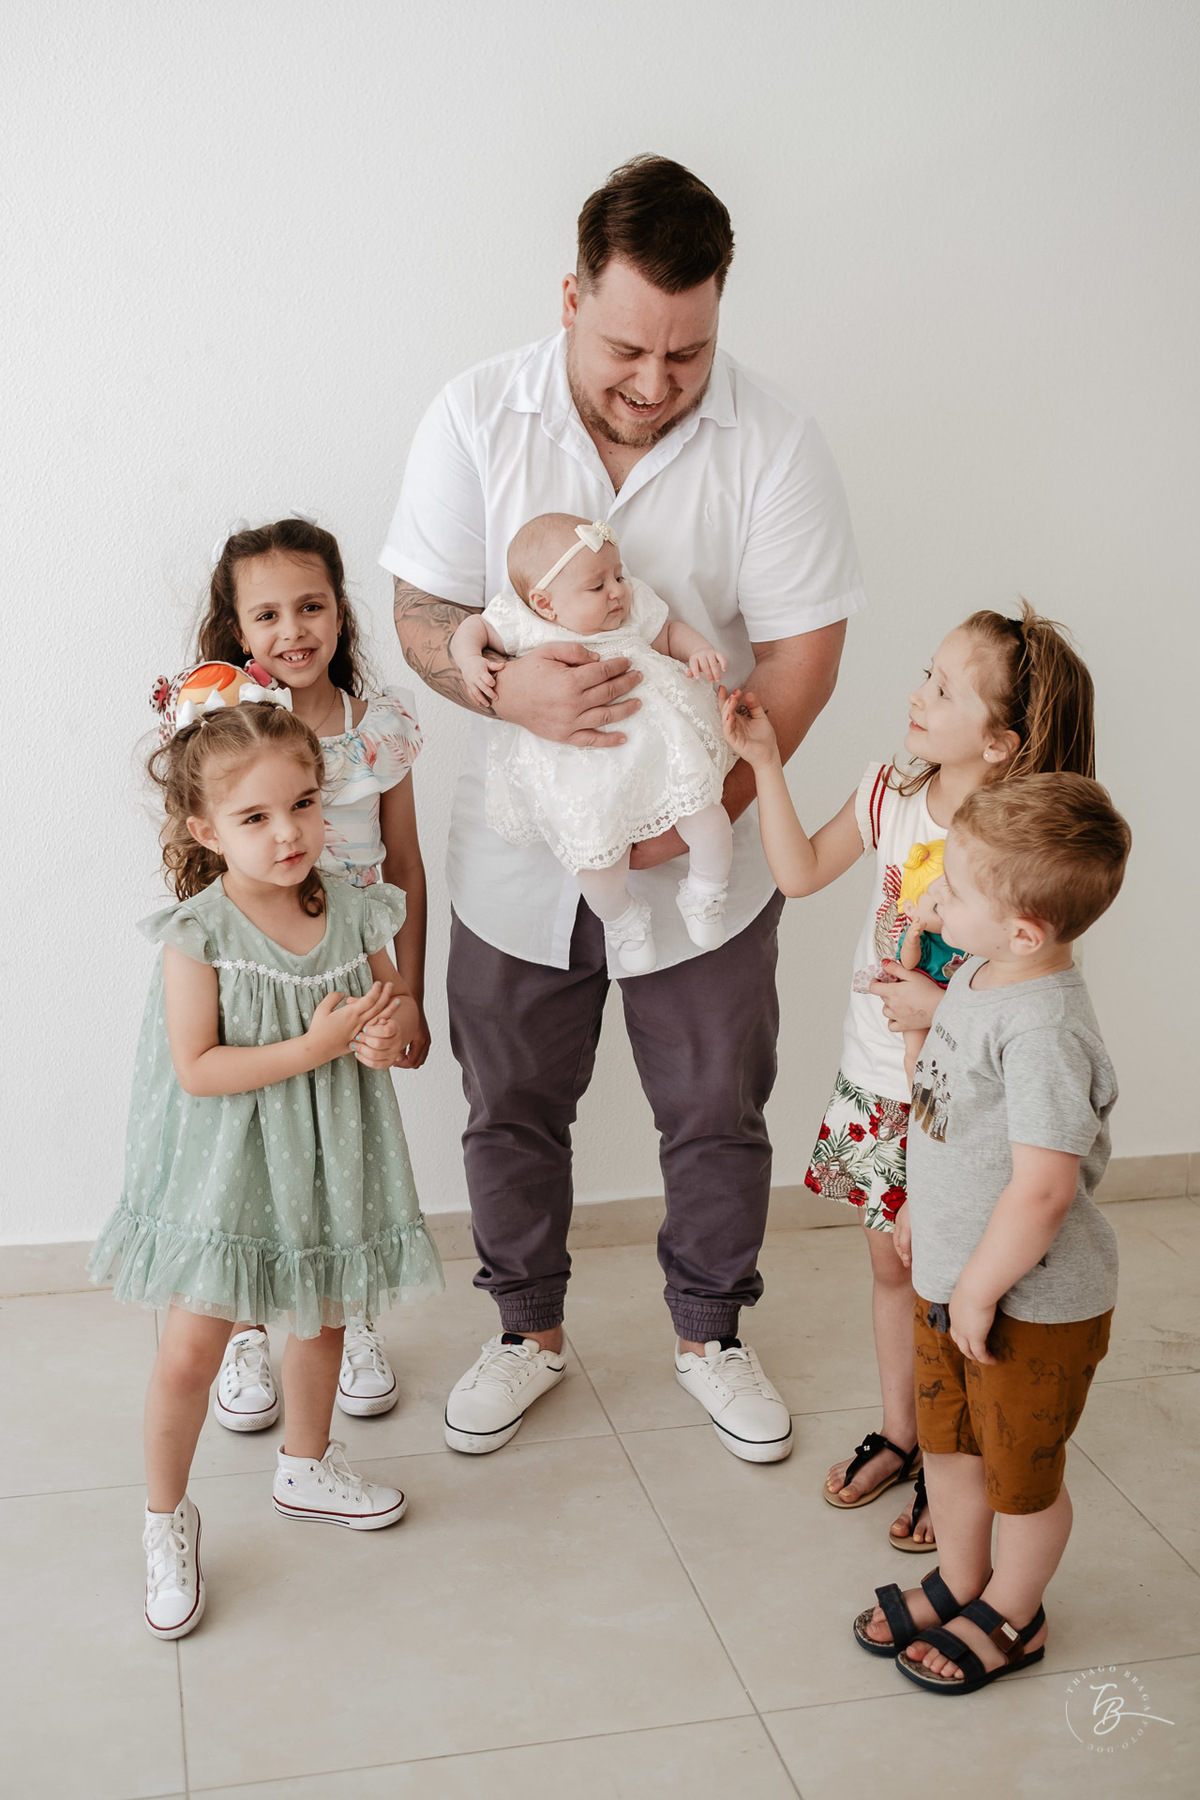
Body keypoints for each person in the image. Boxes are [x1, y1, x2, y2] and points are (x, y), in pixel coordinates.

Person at [383, 155, 866, 1463]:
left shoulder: (773, 441)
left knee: (716, 1108)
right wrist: (497, 684)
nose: (654, 383)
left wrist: (679, 809)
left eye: (688, 352)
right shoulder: (475, 414)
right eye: (625, 348)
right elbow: (421, 613)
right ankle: (524, 1332)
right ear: (569, 297)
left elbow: (802, 662)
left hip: (703, 857)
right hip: (514, 856)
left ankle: (713, 1334)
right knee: (511, 1104)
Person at [720, 602, 1097, 1546]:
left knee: (955, 1279)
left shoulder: (1020, 848)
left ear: (1004, 741)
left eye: (943, 688)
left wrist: (946, 1011)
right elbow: (801, 872)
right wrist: (765, 763)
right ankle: (906, 1433)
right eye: (926, 675)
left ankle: (954, 1461)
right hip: (876, 1077)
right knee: (893, 1266)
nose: (917, 696)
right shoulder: (892, 791)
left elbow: (1036, 986)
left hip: (964, 1099)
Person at [88, 704, 442, 1638]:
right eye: (254, 818)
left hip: (326, 1158)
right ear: (205, 830)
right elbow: (199, 1069)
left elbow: (397, 1021)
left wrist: (383, 1039)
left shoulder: (358, 908)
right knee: (191, 1352)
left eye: (304, 804)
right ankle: (167, 1518)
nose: (288, 833)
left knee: (321, 1315)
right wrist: (317, 1044)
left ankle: (306, 1464)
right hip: (225, 1166)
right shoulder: (197, 933)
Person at [851, 774, 1130, 1692]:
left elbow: (1044, 1191)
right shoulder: (977, 973)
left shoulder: (1046, 1028)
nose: (932, 895)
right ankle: (964, 1579)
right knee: (952, 1447)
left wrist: (976, 1287)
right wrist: (919, 1220)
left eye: (955, 889)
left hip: (1028, 1304)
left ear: (1024, 930)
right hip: (949, 1278)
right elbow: (949, 1112)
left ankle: (1015, 1609)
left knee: (1022, 1476)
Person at [195, 517, 426, 1422]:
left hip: (354, 970)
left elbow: (402, 865)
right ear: (238, 629)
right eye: (267, 614)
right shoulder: (223, 726)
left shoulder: (385, 731)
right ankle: (249, 1329)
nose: (292, 629)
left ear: (340, 610)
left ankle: (344, 1312)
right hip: (258, 977)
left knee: (344, 1152)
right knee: (255, 1152)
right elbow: (209, 864)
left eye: (311, 605)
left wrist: (406, 991)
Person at [450, 513, 733, 973]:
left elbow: (668, 632)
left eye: (617, 575)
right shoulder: (524, 620)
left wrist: (697, 648)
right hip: (581, 771)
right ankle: (622, 920)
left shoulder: (633, 606)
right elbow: (473, 629)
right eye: (597, 586)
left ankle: (706, 891)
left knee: (707, 815)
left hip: (663, 749)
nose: (618, 590)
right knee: (596, 860)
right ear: (546, 604)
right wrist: (468, 660)